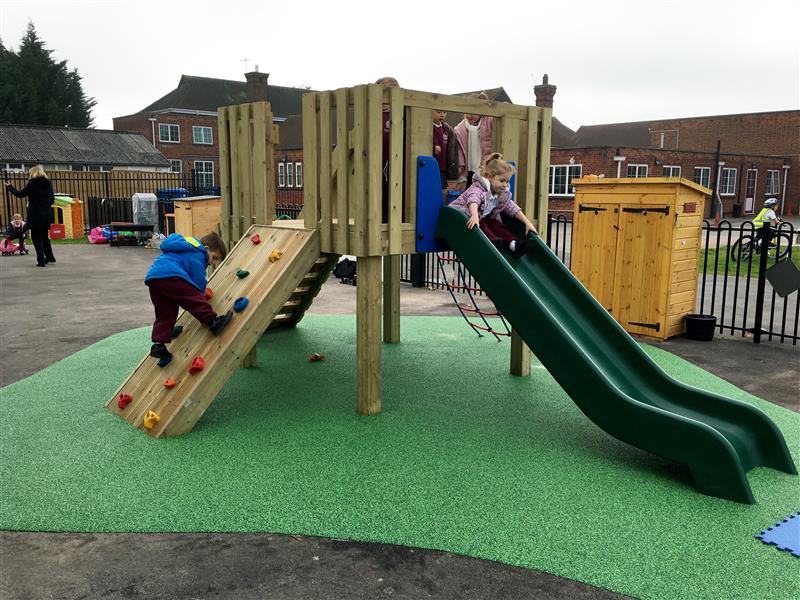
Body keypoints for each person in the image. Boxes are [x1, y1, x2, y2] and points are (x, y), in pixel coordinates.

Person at [144, 231, 233, 361]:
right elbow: (198, 278)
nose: (212, 263)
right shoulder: (198, 252)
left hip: (154, 278)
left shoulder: (184, 246)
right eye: (214, 258)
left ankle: (159, 346)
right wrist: (201, 292)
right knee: (194, 300)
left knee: (165, 312)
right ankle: (213, 322)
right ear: (206, 248)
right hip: (172, 275)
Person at [449, 152, 538, 259]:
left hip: (479, 218)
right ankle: (492, 243)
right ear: (490, 177)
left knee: (496, 224)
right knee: (483, 224)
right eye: (502, 180)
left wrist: (527, 222)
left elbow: (512, 207)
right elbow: (473, 200)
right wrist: (474, 215)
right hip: (458, 218)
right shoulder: (478, 188)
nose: (505, 185)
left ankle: (513, 245)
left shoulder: (500, 194)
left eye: (507, 181)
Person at [4, 166, 55, 267]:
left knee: (37, 238)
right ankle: (50, 257)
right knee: (45, 237)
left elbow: (20, 194)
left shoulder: (32, 183)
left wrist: (10, 187)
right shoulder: (48, 183)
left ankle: (41, 261)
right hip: (47, 214)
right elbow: (52, 200)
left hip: (35, 215)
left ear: (33, 173)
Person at [454, 92, 494, 188]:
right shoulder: (462, 128)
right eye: (467, 112)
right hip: (469, 170)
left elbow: (496, 117)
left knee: (484, 194)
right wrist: (460, 168)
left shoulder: (487, 121)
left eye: (473, 112)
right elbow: (460, 150)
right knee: (470, 193)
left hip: (485, 168)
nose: (469, 115)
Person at [432, 109, 458, 189]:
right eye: (439, 112)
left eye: (444, 112)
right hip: (433, 166)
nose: (442, 115)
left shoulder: (447, 129)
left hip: (443, 167)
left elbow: (452, 149)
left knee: (442, 189)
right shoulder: (429, 127)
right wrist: (433, 147)